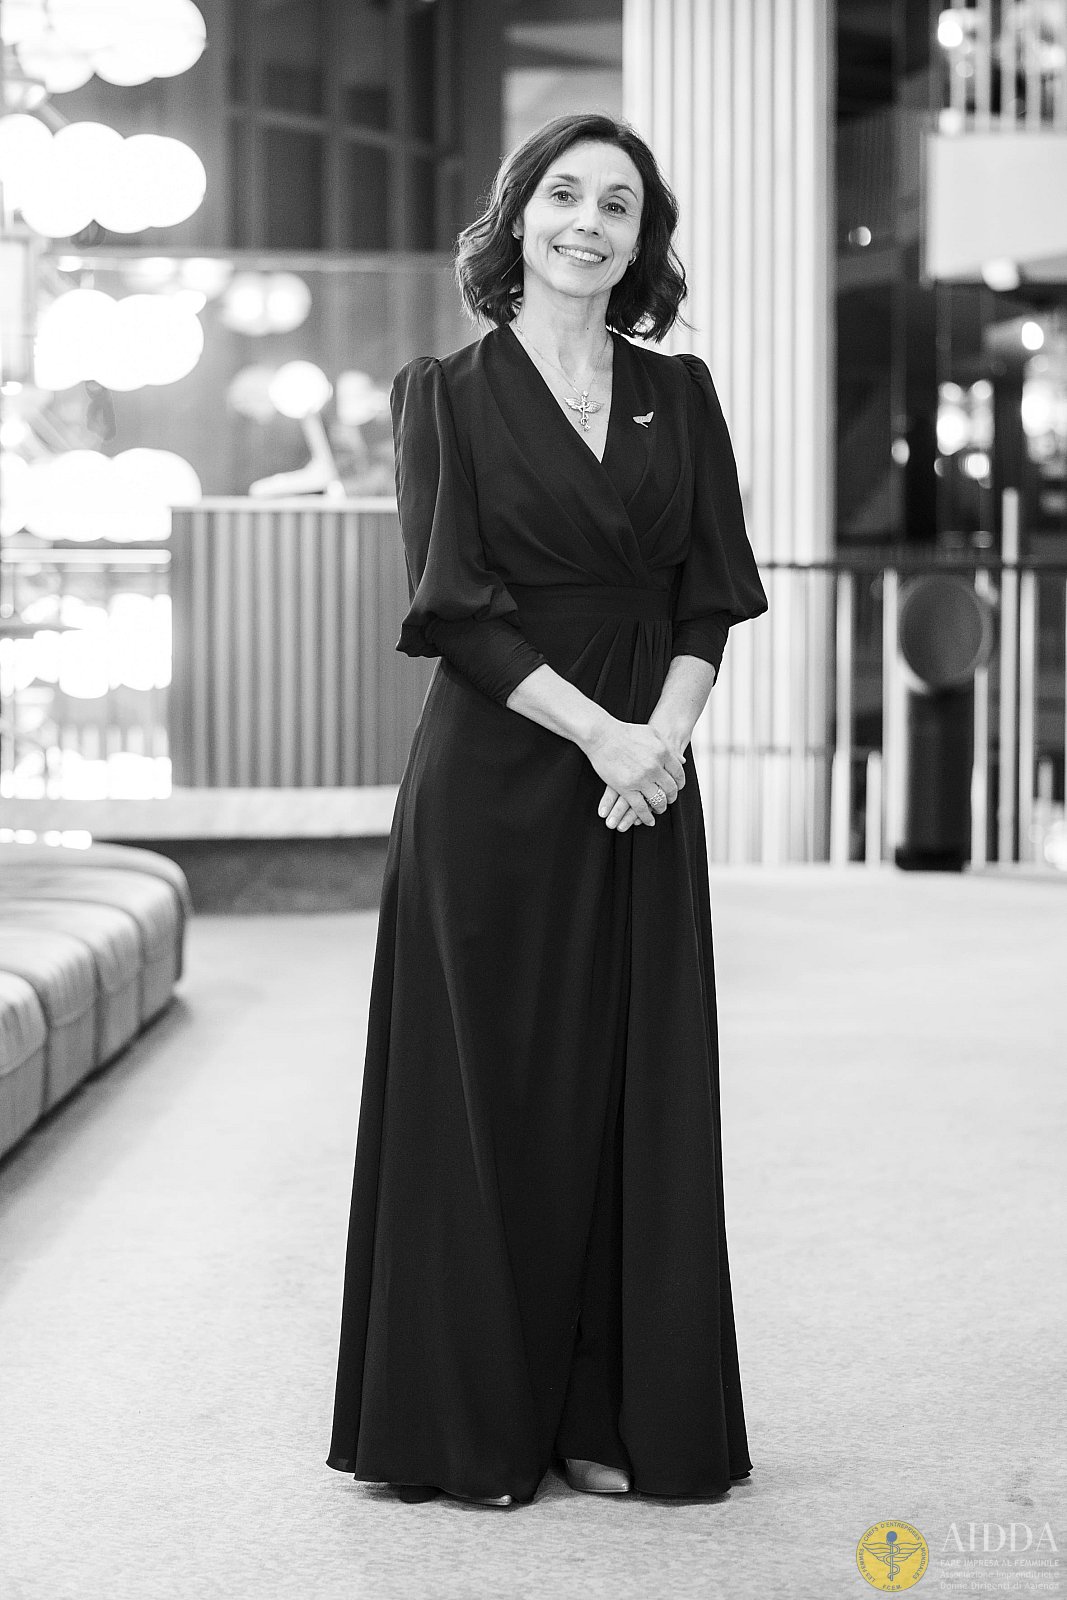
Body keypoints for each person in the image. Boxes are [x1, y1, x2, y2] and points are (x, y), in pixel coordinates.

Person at [326, 111, 768, 1508]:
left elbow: (712, 593)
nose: (589, 222)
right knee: (492, 1088)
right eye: (565, 195)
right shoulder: (445, 394)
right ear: (519, 217)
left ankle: (608, 1411)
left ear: (642, 242)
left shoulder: (678, 393)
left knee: (633, 1088)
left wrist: (661, 743)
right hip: (504, 776)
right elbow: (454, 610)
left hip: (646, 777)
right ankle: (478, 1425)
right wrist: (606, 739)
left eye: (618, 206)